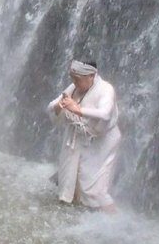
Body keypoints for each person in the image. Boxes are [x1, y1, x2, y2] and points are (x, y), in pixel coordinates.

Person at [46, 59, 121, 212]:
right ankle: (77, 210)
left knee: (95, 189)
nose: (74, 82)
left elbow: (105, 114)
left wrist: (78, 110)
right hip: (79, 138)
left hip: (102, 142)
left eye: (78, 79)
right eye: (72, 78)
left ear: (91, 76)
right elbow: (52, 105)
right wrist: (58, 107)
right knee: (70, 176)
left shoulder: (106, 89)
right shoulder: (74, 87)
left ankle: (114, 221)